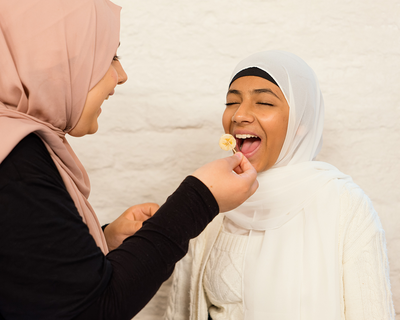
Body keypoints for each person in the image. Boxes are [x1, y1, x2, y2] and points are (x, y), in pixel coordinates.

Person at [0, 1, 259, 319]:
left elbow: (29, 275)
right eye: (108, 57)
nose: (121, 76)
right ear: (51, 60)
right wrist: (198, 199)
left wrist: (102, 241)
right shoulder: (16, 166)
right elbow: (95, 309)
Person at [164, 50, 395, 320]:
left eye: (263, 102)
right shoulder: (214, 201)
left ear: (301, 123)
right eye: (231, 102)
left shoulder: (344, 205)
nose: (239, 115)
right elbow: (181, 310)